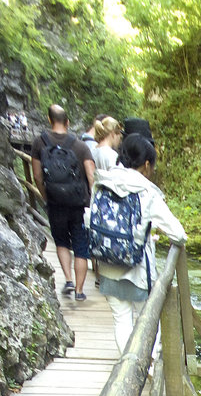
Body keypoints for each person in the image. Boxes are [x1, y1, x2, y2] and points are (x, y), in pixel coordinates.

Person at [91, 132, 186, 353]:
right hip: (137, 269)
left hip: (106, 263)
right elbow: (178, 234)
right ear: (146, 164)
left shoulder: (103, 181)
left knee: (121, 320)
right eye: (152, 166)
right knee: (148, 320)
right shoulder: (146, 191)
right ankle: (150, 366)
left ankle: (128, 366)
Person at [31, 104, 95, 300]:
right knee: (80, 246)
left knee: (61, 242)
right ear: (67, 122)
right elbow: (92, 177)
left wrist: (46, 196)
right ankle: (80, 291)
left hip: (55, 201)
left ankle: (68, 279)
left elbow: (37, 175)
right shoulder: (80, 145)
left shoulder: (39, 143)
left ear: (50, 120)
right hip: (77, 203)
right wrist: (92, 203)